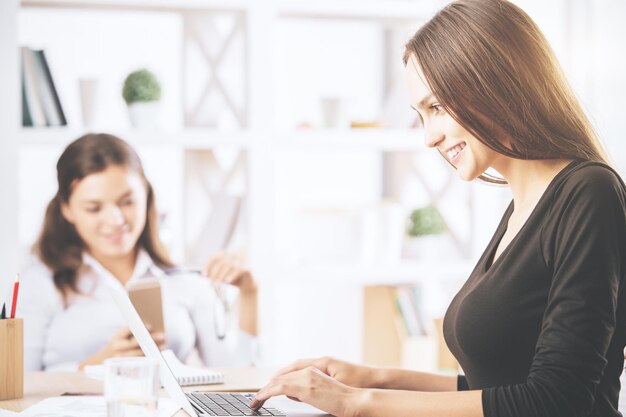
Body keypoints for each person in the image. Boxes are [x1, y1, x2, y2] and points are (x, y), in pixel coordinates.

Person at [249, 1, 626, 417]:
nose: (428, 138)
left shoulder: (589, 192)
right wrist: (374, 378)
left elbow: (554, 400)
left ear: (494, 82)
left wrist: (358, 403)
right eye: (421, 114)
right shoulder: (521, 209)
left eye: (437, 108)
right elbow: (495, 389)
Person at [20, 133, 258, 371]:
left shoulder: (185, 282)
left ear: (146, 198)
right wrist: (97, 366)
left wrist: (249, 293)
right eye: (94, 208)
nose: (115, 220)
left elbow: (236, 379)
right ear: (67, 210)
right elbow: (18, 390)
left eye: (127, 202)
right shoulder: (40, 284)